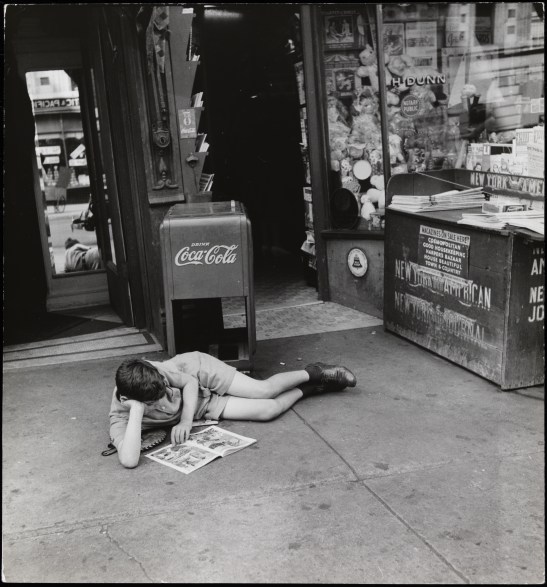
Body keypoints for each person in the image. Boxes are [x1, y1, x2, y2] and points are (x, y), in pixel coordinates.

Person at [109, 352, 357, 468]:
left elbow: (189, 382)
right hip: (202, 406)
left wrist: (184, 422)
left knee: (264, 391)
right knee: (269, 410)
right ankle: (314, 388)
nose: (163, 403)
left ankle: (314, 371)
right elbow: (129, 460)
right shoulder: (122, 414)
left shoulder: (153, 371)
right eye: (153, 403)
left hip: (197, 374)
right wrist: (137, 411)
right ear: (127, 399)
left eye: (163, 393)